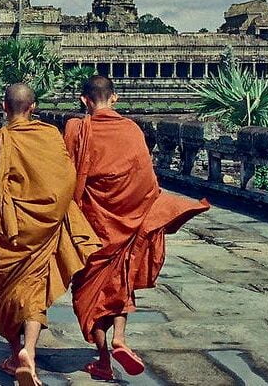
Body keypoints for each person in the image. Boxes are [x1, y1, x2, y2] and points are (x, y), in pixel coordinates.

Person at [64, 76, 210, 380]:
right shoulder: (132, 130)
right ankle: (120, 339)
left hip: (92, 228)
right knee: (121, 284)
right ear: (115, 98)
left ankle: (103, 359)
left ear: (84, 101)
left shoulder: (77, 129)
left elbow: (67, 177)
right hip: (128, 224)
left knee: (88, 296)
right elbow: (147, 182)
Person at [0, 83, 100, 386]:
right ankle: (28, 350)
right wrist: (55, 216)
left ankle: (17, 355)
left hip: (8, 229)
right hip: (43, 230)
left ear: (4, 108)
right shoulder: (50, 135)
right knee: (34, 290)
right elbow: (66, 180)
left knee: (8, 294)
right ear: (33, 107)